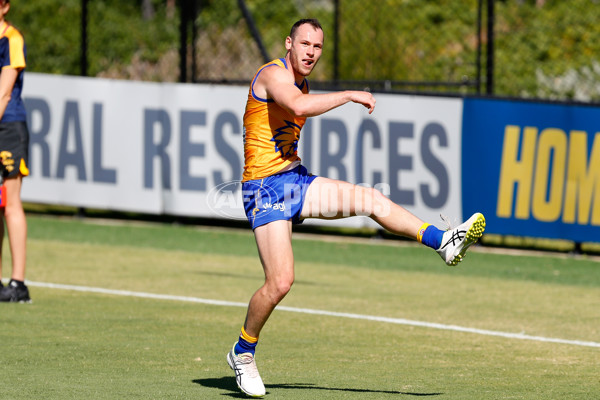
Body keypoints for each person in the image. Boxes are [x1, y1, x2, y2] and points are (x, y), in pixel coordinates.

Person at [226, 18, 485, 397]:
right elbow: (297, 105)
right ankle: (243, 352)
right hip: (262, 190)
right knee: (280, 282)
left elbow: (299, 106)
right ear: (288, 44)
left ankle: (442, 241)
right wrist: (348, 94)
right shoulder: (272, 76)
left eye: (317, 47)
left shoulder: (303, 81)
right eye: (305, 44)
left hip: (294, 181)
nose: (311, 52)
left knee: (370, 198)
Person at [0, 0, 31, 303]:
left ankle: (18, 283)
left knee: (10, 202)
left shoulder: (12, 38)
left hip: (8, 127)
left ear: (5, 7)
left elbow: (5, 92)